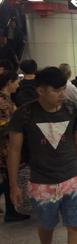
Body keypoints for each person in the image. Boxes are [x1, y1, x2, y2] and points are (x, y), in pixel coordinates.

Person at [8, 67, 77, 244]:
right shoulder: (24, 114)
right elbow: (14, 150)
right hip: (41, 183)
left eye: (64, 88)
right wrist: (13, 186)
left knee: (75, 227)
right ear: (40, 90)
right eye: (57, 90)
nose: (62, 94)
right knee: (46, 225)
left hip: (73, 179)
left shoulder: (72, 109)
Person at [0, 70, 29, 222]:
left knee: (6, 178)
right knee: (7, 178)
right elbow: (5, 128)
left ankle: (10, 211)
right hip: (5, 148)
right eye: (16, 81)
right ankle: (11, 212)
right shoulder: (3, 102)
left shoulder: (7, 99)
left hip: (6, 147)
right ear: (9, 82)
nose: (18, 84)